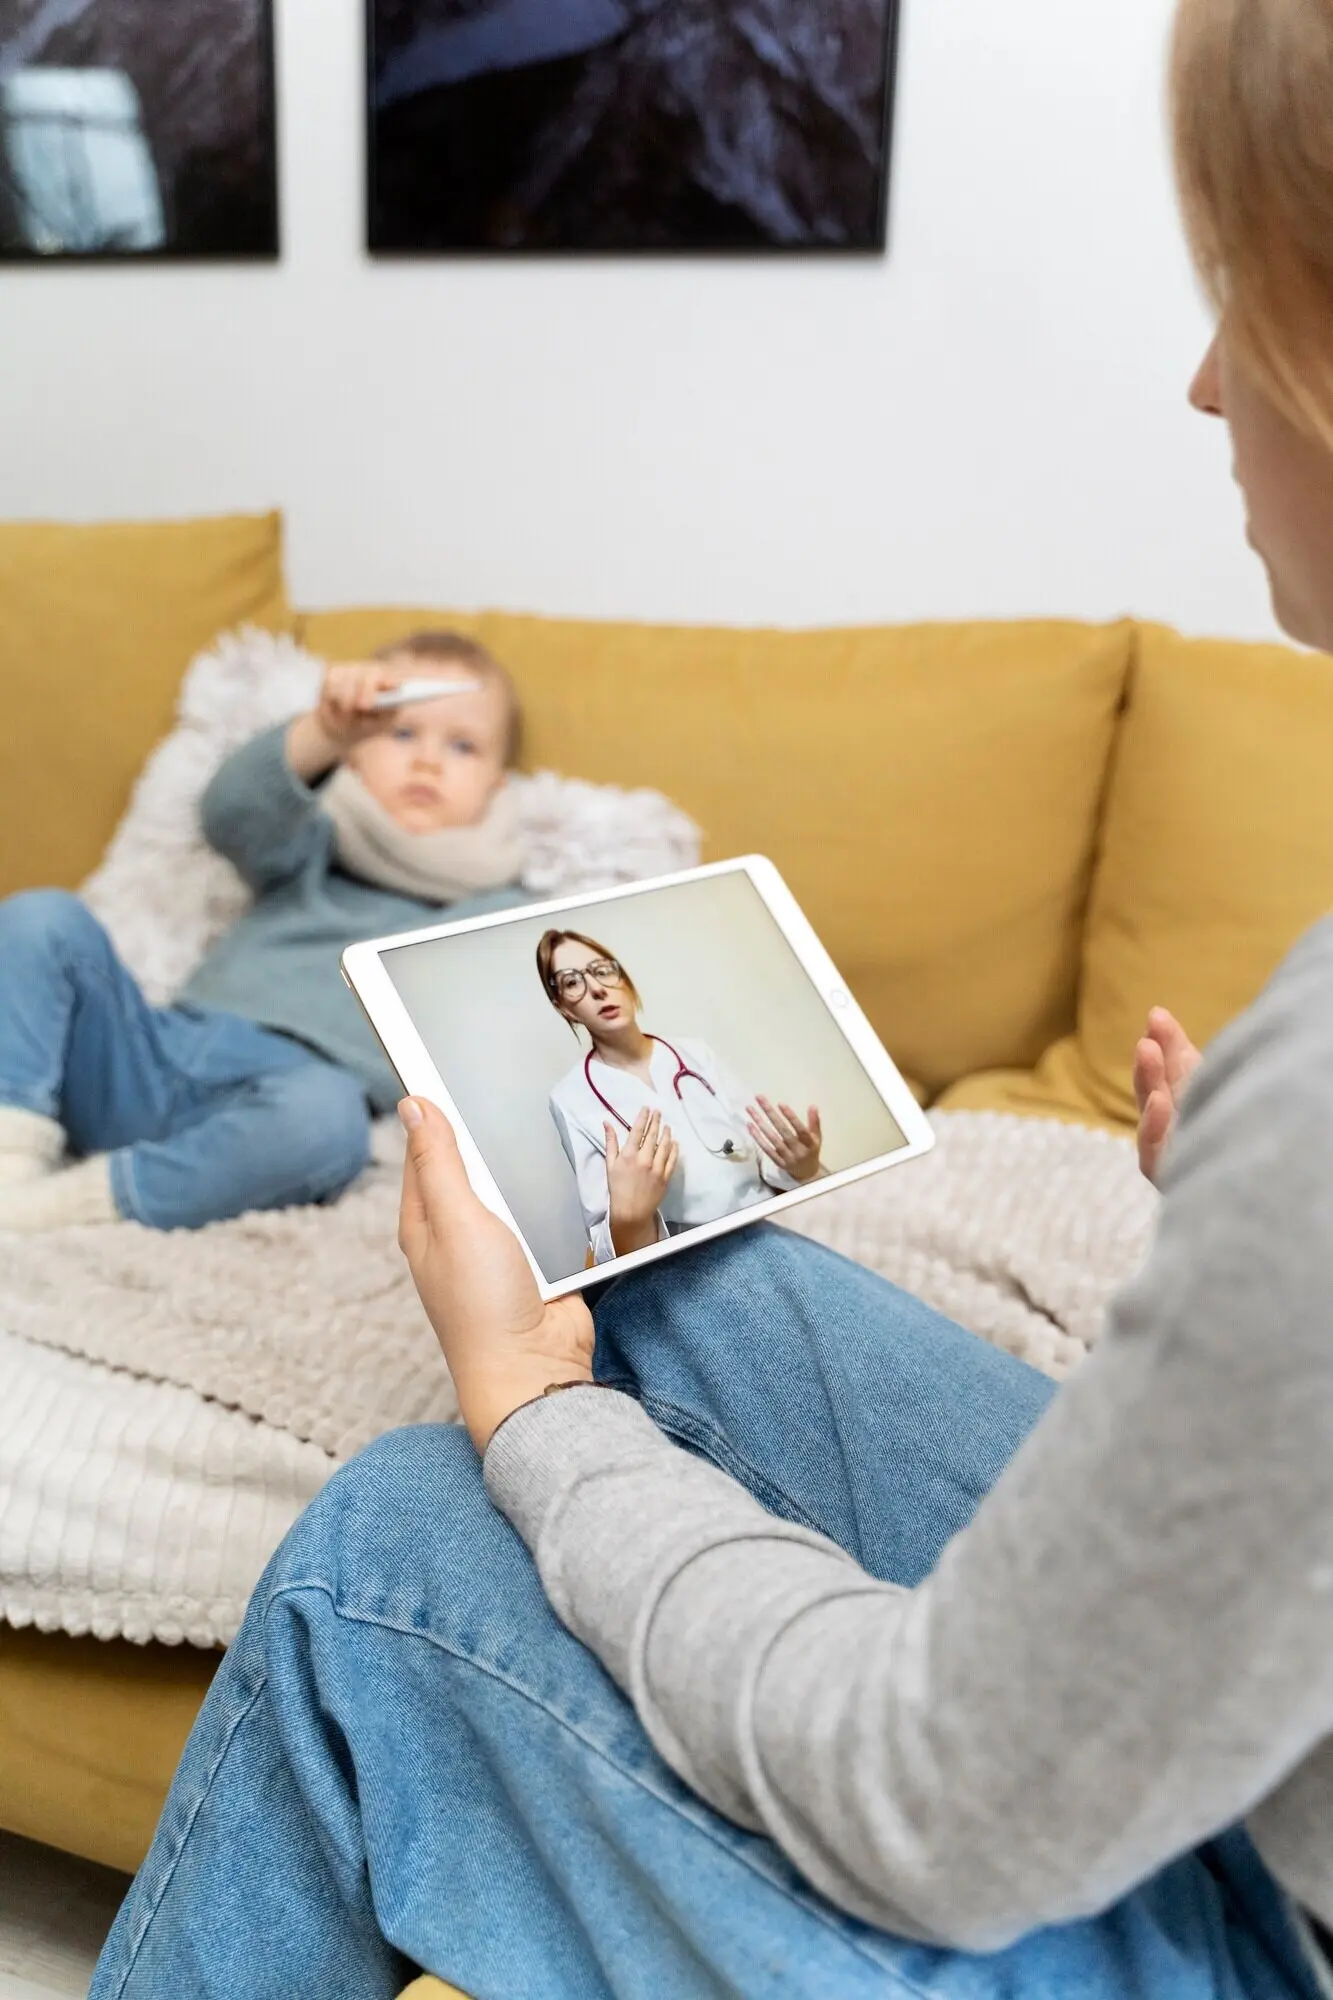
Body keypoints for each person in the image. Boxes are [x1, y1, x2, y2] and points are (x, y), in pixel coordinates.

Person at [90, 0, 1333, 1993]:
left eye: (1244, 297)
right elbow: (243, 807)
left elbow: (935, 1800)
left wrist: (530, 1406)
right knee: (686, 1267)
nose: (1203, 385)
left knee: (395, 1540)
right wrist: (1255, 1253)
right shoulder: (310, 826)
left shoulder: (529, 859)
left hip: (1264, 1909)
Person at [0, 631, 528, 1233]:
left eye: (462, 745)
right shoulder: (316, 842)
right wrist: (325, 731)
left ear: (498, 785)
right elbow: (232, 811)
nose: (427, 760)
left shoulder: (498, 911)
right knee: (42, 918)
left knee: (326, 1124)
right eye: (401, 733)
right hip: (157, 1050)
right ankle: (9, 1161)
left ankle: (61, 1208)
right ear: (354, 756)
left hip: (288, 1098)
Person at [538, 927, 824, 1263]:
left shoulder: (695, 1053)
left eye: (602, 971)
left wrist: (802, 1167)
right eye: (573, 982)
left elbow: (767, 1157)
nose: (597, 989)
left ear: (625, 982)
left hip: (770, 1226)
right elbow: (605, 1244)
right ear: (565, 1009)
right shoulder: (570, 1099)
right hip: (693, 1262)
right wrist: (629, 1218)